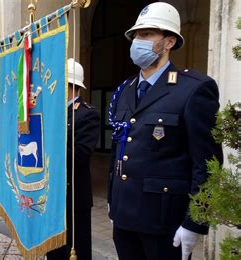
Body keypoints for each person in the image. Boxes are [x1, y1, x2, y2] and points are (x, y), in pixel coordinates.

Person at [107, 3, 223, 260]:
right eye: (136, 35)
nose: (138, 41)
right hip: (124, 217)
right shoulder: (125, 90)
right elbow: (119, 146)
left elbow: (207, 162)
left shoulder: (193, 88)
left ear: (169, 41)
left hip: (164, 222)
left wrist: (195, 222)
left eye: (147, 34)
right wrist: (112, 199)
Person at [47, 59, 101, 260]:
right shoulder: (53, 113)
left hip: (74, 195)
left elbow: (80, 154)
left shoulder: (87, 114)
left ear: (69, 85)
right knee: (53, 249)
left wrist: (52, 140)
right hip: (53, 194)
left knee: (76, 249)